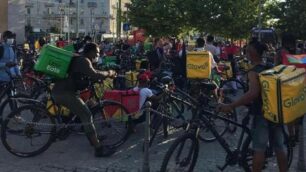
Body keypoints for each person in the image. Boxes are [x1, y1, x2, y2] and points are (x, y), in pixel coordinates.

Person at [217, 40, 288, 172]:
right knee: (279, 146)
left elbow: (253, 93)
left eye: (247, 51)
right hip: (276, 111)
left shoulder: (254, 71)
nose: (245, 53)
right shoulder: (270, 66)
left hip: (262, 114)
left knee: (259, 149)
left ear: (253, 53)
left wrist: (231, 105)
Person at [52, 43, 117, 157]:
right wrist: (109, 73)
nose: (98, 55)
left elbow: (90, 72)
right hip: (64, 93)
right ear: (90, 51)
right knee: (86, 115)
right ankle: (98, 149)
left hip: (62, 90)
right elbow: (94, 73)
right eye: (96, 52)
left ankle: (93, 137)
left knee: (89, 105)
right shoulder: (83, 60)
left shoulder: (80, 58)